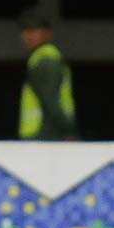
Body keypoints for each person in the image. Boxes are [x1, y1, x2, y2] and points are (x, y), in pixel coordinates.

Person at [17, 9, 79, 141]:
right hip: (42, 133)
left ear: (47, 34)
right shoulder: (41, 59)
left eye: (34, 31)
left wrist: (68, 132)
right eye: (25, 31)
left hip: (45, 134)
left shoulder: (46, 61)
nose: (28, 35)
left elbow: (51, 102)